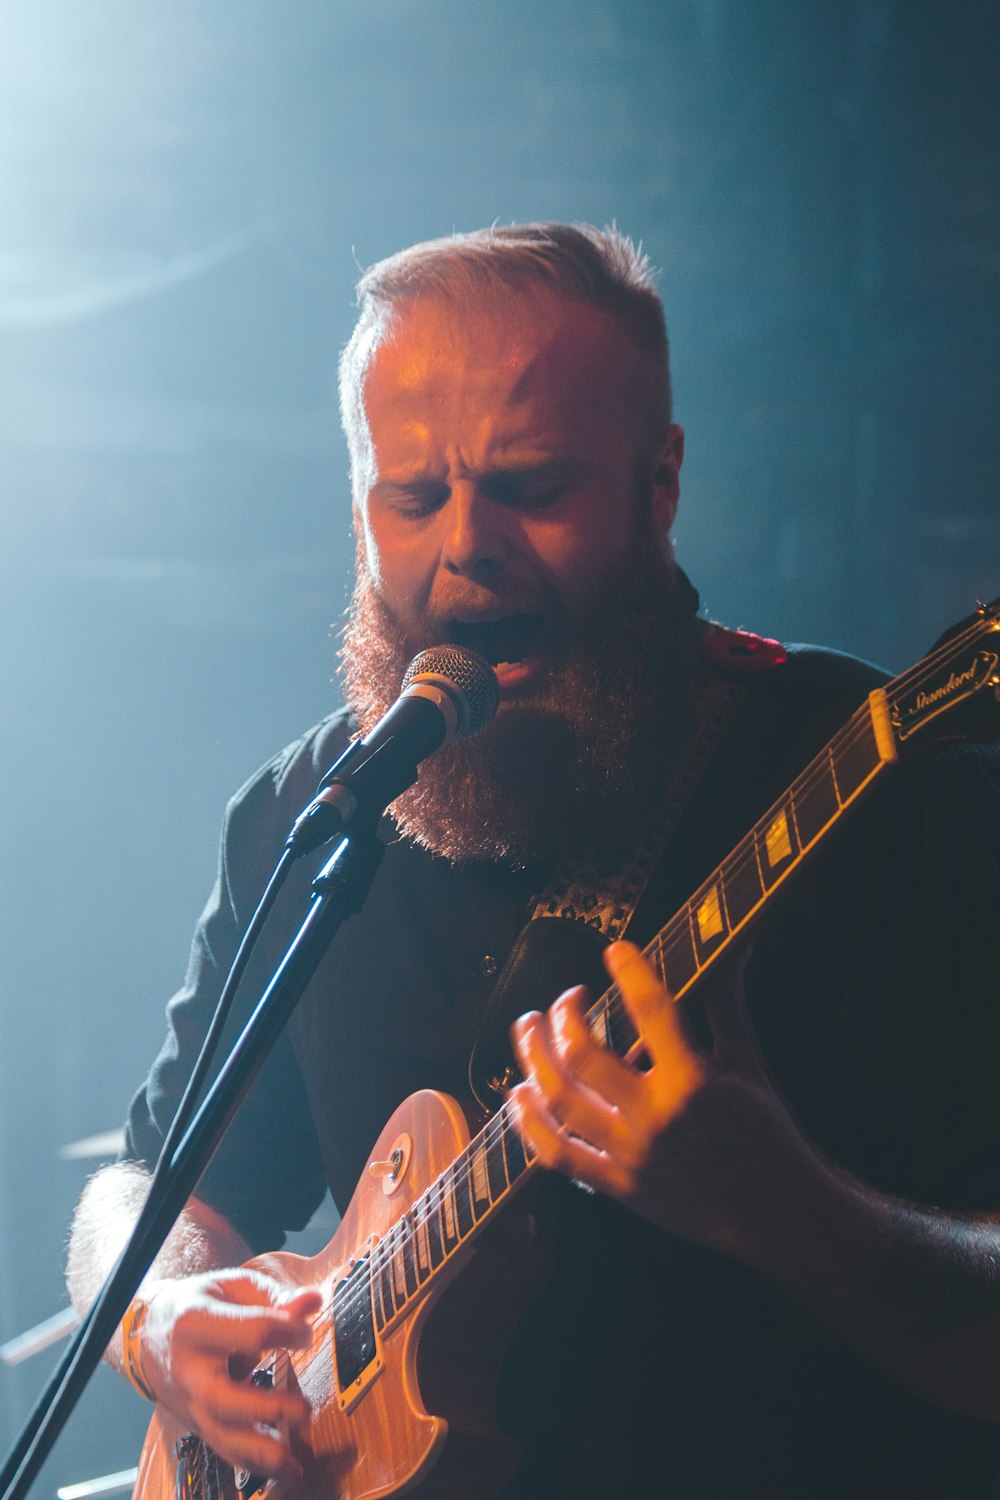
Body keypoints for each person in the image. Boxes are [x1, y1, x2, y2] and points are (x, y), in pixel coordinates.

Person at [66, 223, 1000, 1498]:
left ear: (657, 483)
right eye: (414, 498)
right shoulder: (314, 808)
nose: (468, 547)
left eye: (533, 484)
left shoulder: (878, 779)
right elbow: (154, 1185)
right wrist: (156, 1318)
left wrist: (786, 1207)